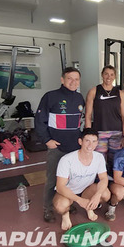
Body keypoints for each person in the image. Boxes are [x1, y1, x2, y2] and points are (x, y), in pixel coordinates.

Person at [35, 67, 85, 223]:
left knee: (72, 180)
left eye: (76, 79)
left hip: (75, 148)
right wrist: (47, 140)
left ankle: (69, 202)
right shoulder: (50, 97)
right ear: (62, 79)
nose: (73, 82)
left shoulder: (79, 98)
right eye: (70, 78)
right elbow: (39, 120)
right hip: (57, 148)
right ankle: (48, 208)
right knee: (52, 180)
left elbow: (80, 122)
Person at [53, 129, 111, 230]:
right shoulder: (67, 160)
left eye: (94, 141)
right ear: (80, 142)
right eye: (87, 141)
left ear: (97, 143)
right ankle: (65, 215)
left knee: (105, 194)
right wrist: (79, 200)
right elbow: (60, 186)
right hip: (68, 192)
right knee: (60, 206)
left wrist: (97, 195)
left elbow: (103, 179)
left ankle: (89, 208)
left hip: (86, 190)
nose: (90, 145)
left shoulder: (99, 157)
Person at [84, 65, 124, 176]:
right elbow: (88, 115)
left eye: (112, 74)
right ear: (102, 75)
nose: (109, 77)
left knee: (115, 160)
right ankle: (102, 185)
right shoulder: (94, 91)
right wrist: (89, 134)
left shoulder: (120, 93)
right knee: (100, 161)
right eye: (106, 74)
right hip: (100, 132)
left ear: (115, 76)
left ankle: (115, 184)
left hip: (116, 133)